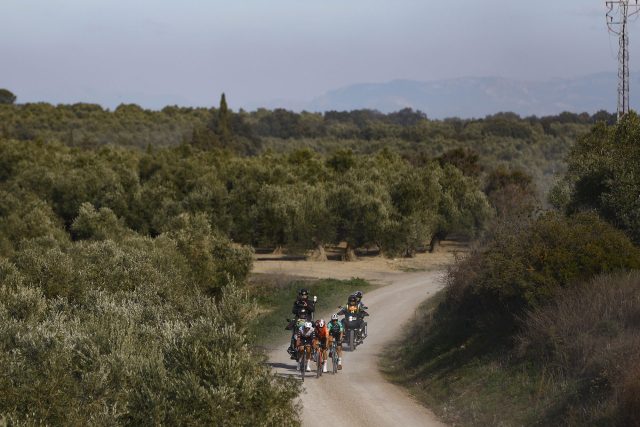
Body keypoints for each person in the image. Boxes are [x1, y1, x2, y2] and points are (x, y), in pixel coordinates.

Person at [287, 288, 316, 359]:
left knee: (314, 328)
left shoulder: (309, 302)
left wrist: (306, 306)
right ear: (300, 295)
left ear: (307, 295)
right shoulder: (297, 302)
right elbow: (293, 311)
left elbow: (313, 310)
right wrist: (299, 307)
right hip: (298, 319)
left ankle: (313, 348)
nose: (304, 296)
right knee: (293, 329)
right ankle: (292, 348)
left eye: (305, 295)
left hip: (307, 319)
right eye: (302, 295)